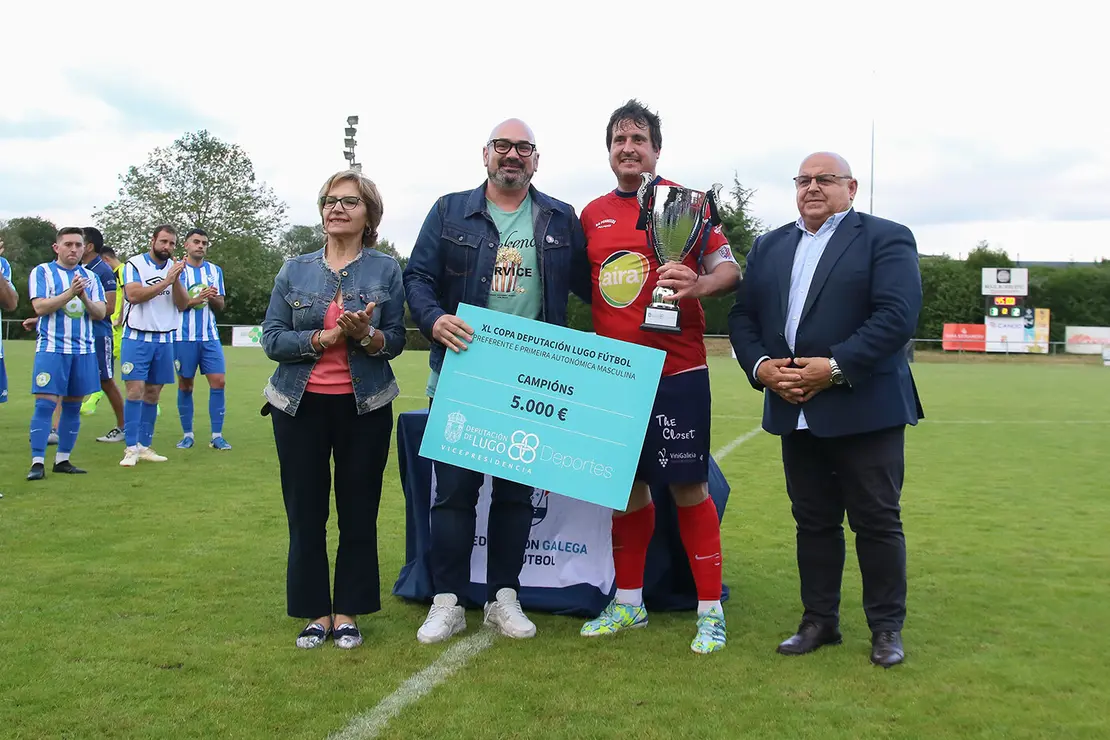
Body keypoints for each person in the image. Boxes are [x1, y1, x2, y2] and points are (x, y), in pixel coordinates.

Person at [727, 152, 923, 668]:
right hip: (794, 405)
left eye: (826, 179)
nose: (813, 187)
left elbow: (896, 317)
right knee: (812, 521)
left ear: (851, 187)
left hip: (865, 406)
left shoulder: (886, 236)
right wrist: (762, 367)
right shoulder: (770, 245)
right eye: (804, 180)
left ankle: (885, 628)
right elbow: (743, 317)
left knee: (876, 521)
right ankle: (819, 621)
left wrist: (833, 367)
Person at [403, 118, 591, 645]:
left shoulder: (558, 218)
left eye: (523, 148)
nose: (513, 155)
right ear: (485, 153)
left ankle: (503, 598)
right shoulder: (448, 210)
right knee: (455, 495)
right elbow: (417, 277)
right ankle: (447, 602)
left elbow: (593, 285)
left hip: (530, 383)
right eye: (503, 146)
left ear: (536, 159)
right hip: (463, 375)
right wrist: (433, 318)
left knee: (514, 496)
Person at [577, 100, 741, 654]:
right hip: (615, 373)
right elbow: (587, 285)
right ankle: (628, 603)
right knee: (626, 490)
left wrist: (697, 284)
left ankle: (710, 610)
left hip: (678, 367)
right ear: (609, 150)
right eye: (620, 139)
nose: (629, 148)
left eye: (639, 139)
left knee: (690, 487)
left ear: (656, 149)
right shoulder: (592, 213)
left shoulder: (690, 205)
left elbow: (730, 270)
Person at [262, 169, 405, 650]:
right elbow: (273, 339)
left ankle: (348, 613)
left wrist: (365, 335)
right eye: (329, 200)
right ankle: (315, 614)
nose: (336, 208)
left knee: (358, 513)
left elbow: (398, 340)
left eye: (349, 201)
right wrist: (323, 338)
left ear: (369, 215)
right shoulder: (293, 269)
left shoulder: (386, 270)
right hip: (298, 408)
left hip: (364, 410)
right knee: (305, 512)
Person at [25, 227, 107, 480]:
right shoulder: (43, 272)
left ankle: (63, 459)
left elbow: (101, 313)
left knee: (72, 407)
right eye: (68, 244)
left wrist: (83, 297)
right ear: (56, 247)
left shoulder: (90, 278)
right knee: (45, 404)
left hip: (82, 351)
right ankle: (37, 462)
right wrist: (70, 293)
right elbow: (39, 306)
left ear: (85, 248)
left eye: (78, 245)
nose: (74, 249)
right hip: (52, 349)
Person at [119, 225, 189, 467]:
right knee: (134, 391)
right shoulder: (134, 264)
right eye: (163, 242)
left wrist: (177, 280)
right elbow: (134, 295)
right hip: (137, 337)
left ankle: (144, 446)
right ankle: (130, 448)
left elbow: (182, 304)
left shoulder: (177, 268)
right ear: (153, 241)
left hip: (164, 338)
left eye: (171, 244)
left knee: (152, 394)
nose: (167, 247)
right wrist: (166, 281)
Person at [173, 228, 230, 450]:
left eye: (204, 243)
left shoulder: (214, 271)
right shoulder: (177, 270)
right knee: (186, 385)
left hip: (209, 337)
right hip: (182, 337)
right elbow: (175, 305)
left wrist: (213, 297)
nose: (201, 246)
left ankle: (217, 435)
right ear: (186, 245)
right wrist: (196, 299)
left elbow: (221, 305)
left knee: (219, 382)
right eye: (196, 242)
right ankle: (187, 435)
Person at [71, 227, 127, 442]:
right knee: (68, 379)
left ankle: (124, 427)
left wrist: (86, 306)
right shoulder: (79, 269)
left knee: (105, 380)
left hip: (98, 333)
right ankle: (55, 429)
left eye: (79, 243)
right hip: (77, 335)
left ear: (90, 246)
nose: (75, 247)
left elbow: (110, 307)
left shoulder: (102, 270)